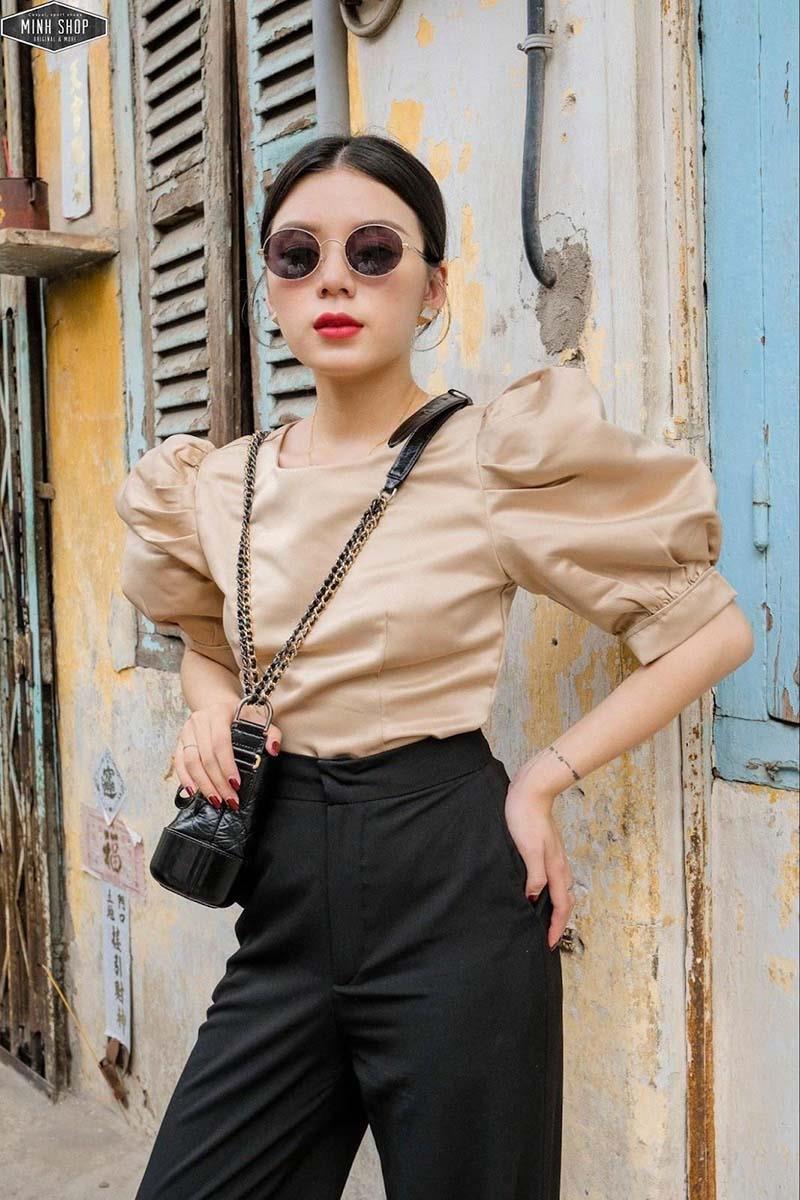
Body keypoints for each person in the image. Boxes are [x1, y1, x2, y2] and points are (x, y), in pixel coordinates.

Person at [114, 133, 753, 1200]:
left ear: (432, 288)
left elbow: (709, 633)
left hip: (450, 875)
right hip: (282, 882)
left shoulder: (492, 456)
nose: (332, 279)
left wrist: (542, 778)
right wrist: (209, 706)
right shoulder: (217, 484)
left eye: (372, 252)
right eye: (298, 254)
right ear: (270, 286)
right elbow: (209, 649)